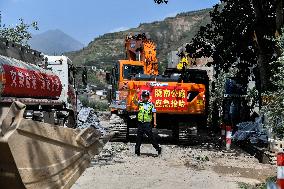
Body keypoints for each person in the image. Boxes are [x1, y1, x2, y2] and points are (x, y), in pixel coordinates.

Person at [135, 90, 161, 156]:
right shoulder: (140, 103)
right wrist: (136, 93)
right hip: (140, 122)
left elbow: (154, 113)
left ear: (148, 97)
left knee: (151, 137)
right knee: (138, 138)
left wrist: (155, 122)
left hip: (147, 123)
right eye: (143, 96)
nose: (144, 98)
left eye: (146, 97)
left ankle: (158, 148)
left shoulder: (151, 104)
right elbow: (134, 101)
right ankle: (137, 151)